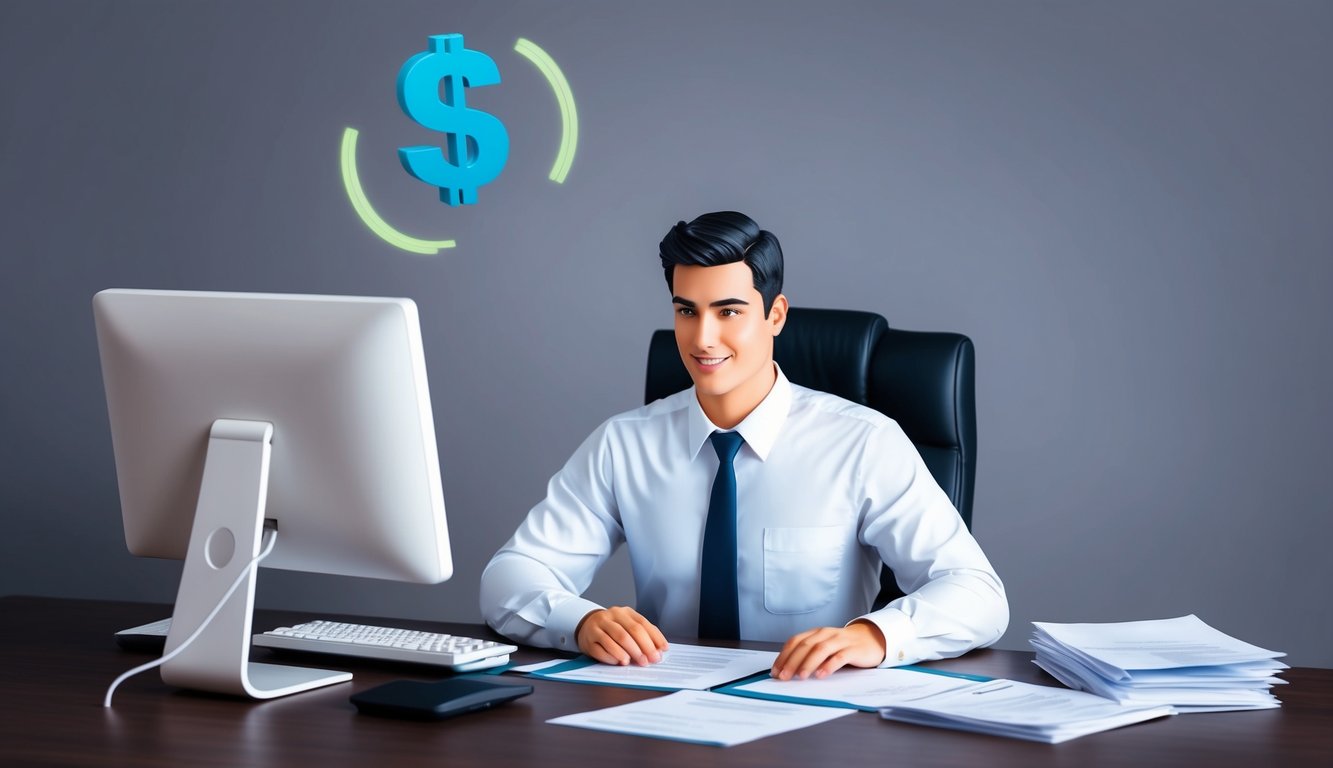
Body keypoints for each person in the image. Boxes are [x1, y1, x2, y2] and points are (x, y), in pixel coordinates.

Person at [480, 211, 1007, 680]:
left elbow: (978, 594)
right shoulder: (624, 443)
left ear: (775, 316)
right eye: (687, 311)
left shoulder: (863, 443)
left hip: (809, 709)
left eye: (728, 311)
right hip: (661, 707)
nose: (703, 338)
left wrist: (873, 636)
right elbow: (509, 578)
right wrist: (581, 620)